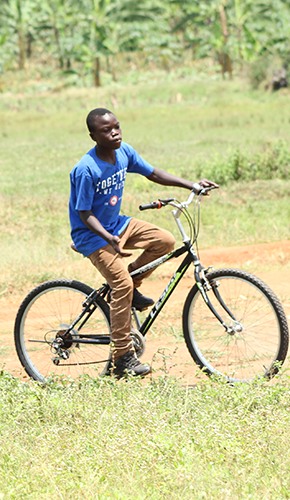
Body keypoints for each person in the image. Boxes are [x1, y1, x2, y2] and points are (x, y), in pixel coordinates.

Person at [69, 108, 218, 379]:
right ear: (93, 136)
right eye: (105, 130)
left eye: (116, 126)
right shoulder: (86, 169)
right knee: (120, 285)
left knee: (164, 241)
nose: (114, 132)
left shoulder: (124, 151)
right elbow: (84, 214)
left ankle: (132, 287)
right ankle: (122, 358)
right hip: (92, 235)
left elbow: (152, 173)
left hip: (119, 225)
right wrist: (108, 237)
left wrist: (191, 185)